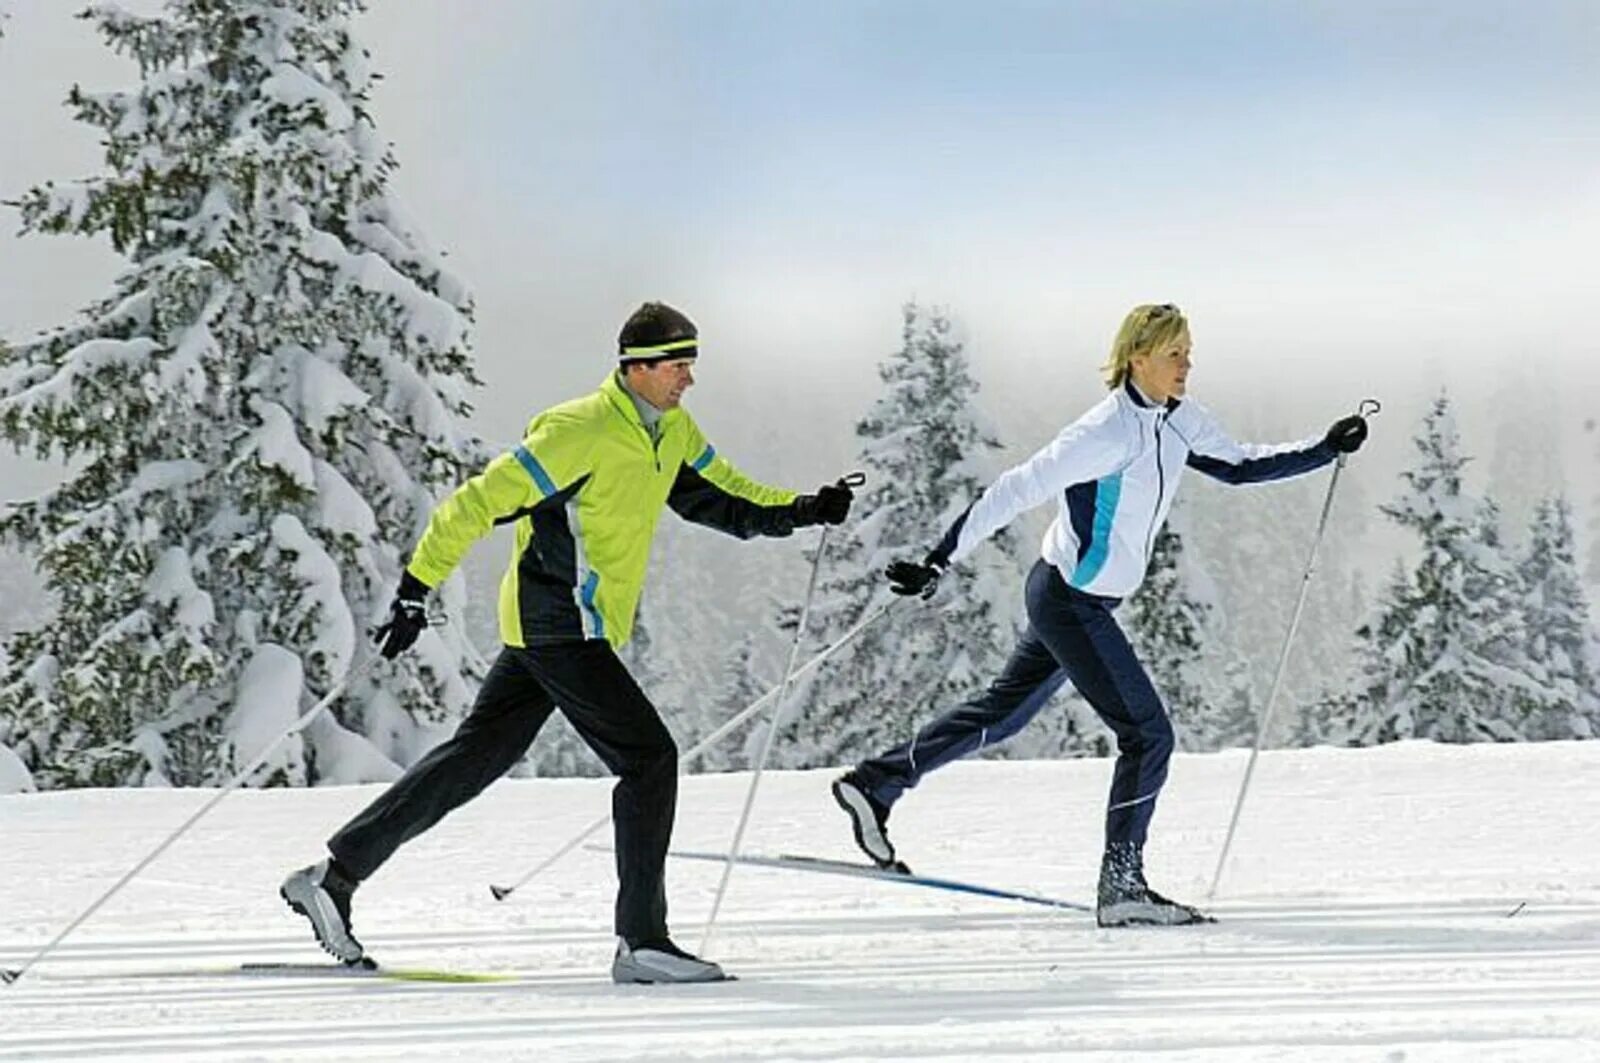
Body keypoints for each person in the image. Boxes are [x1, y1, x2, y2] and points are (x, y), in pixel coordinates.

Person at [281, 302, 854, 983]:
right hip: (560, 620)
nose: (688, 380)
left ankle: (333, 876)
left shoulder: (669, 431)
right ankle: (642, 941)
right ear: (636, 368)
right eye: (678, 367)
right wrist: (416, 587)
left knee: (477, 756)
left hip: (564, 627)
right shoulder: (576, 432)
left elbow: (721, 495)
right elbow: (473, 503)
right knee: (649, 759)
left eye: (691, 365)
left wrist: (802, 509)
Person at [830, 303, 1368, 927]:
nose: (1186, 365)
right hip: (1070, 602)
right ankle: (1122, 886)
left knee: (1003, 715)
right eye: (1175, 354)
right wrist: (938, 561)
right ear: (1138, 357)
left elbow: (1240, 467)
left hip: (1079, 600)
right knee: (1148, 735)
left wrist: (1325, 449)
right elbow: (1014, 488)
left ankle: (875, 784)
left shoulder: (1178, 419)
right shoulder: (1104, 432)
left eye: (1189, 353)